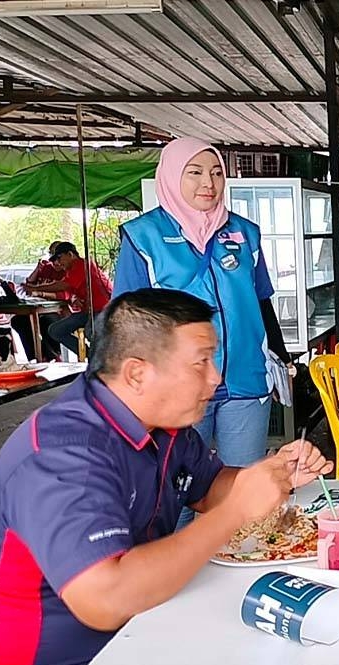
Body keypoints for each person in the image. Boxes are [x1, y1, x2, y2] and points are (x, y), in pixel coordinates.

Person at [0, 288, 333, 665]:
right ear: (137, 373)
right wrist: (235, 512)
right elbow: (105, 600)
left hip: (141, 627)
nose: (216, 377)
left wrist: (272, 475)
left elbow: (207, 489)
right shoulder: (65, 453)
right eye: (200, 362)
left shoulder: (166, 426)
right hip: (50, 658)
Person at [112, 137, 292, 474]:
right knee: (175, 493)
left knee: (240, 491)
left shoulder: (244, 232)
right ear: (170, 176)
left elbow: (261, 299)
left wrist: (281, 358)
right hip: (175, 385)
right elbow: (125, 318)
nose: (208, 183)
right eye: (194, 172)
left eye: (216, 173)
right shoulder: (143, 237)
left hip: (245, 377)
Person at [24, 241, 113, 356]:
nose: (58, 262)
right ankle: (89, 354)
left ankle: (103, 357)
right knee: (55, 330)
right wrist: (75, 297)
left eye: (60, 258)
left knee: (90, 331)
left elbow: (64, 285)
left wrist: (37, 288)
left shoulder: (82, 265)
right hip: (87, 311)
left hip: (102, 310)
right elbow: (71, 290)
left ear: (70, 254)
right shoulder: (69, 270)